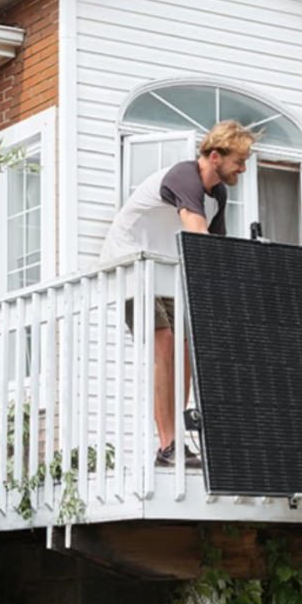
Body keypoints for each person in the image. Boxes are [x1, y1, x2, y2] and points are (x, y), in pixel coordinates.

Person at [98, 120, 257, 467]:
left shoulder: (219, 194)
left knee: (186, 346)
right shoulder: (185, 178)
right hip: (131, 263)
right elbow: (198, 238)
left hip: (168, 270)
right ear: (215, 156)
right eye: (239, 161)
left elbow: (217, 248)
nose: (243, 168)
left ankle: (177, 443)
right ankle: (167, 445)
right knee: (165, 341)